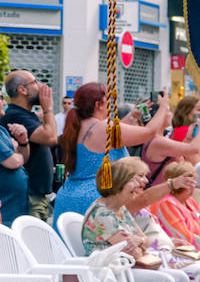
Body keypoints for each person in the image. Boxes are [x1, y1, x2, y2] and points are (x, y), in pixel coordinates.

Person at [53, 83, 176, 221]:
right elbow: (149, 133)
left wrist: (132, 116)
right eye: (108, 102)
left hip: (69, 195)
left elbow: (113, 136)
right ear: (98, 104)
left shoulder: (79, 125)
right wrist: (164, 107)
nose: (110, 106)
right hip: (95, 199)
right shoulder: (103, 127)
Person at [3, 70, 57, 220]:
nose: (40, 86)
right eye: (35, 82)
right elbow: (51, 137)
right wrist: (48, 109)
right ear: (22, 89)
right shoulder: (16, 115)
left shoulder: (25, 114)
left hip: (36, 195)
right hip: (29, 196)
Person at [0, 121, 29, 226]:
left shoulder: (2, 130)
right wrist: (16, 153)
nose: (4, 103)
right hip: (5, 211)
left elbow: (23, 159)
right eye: (1, 102)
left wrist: (23, 142)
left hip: (17, 207)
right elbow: (13, 162)